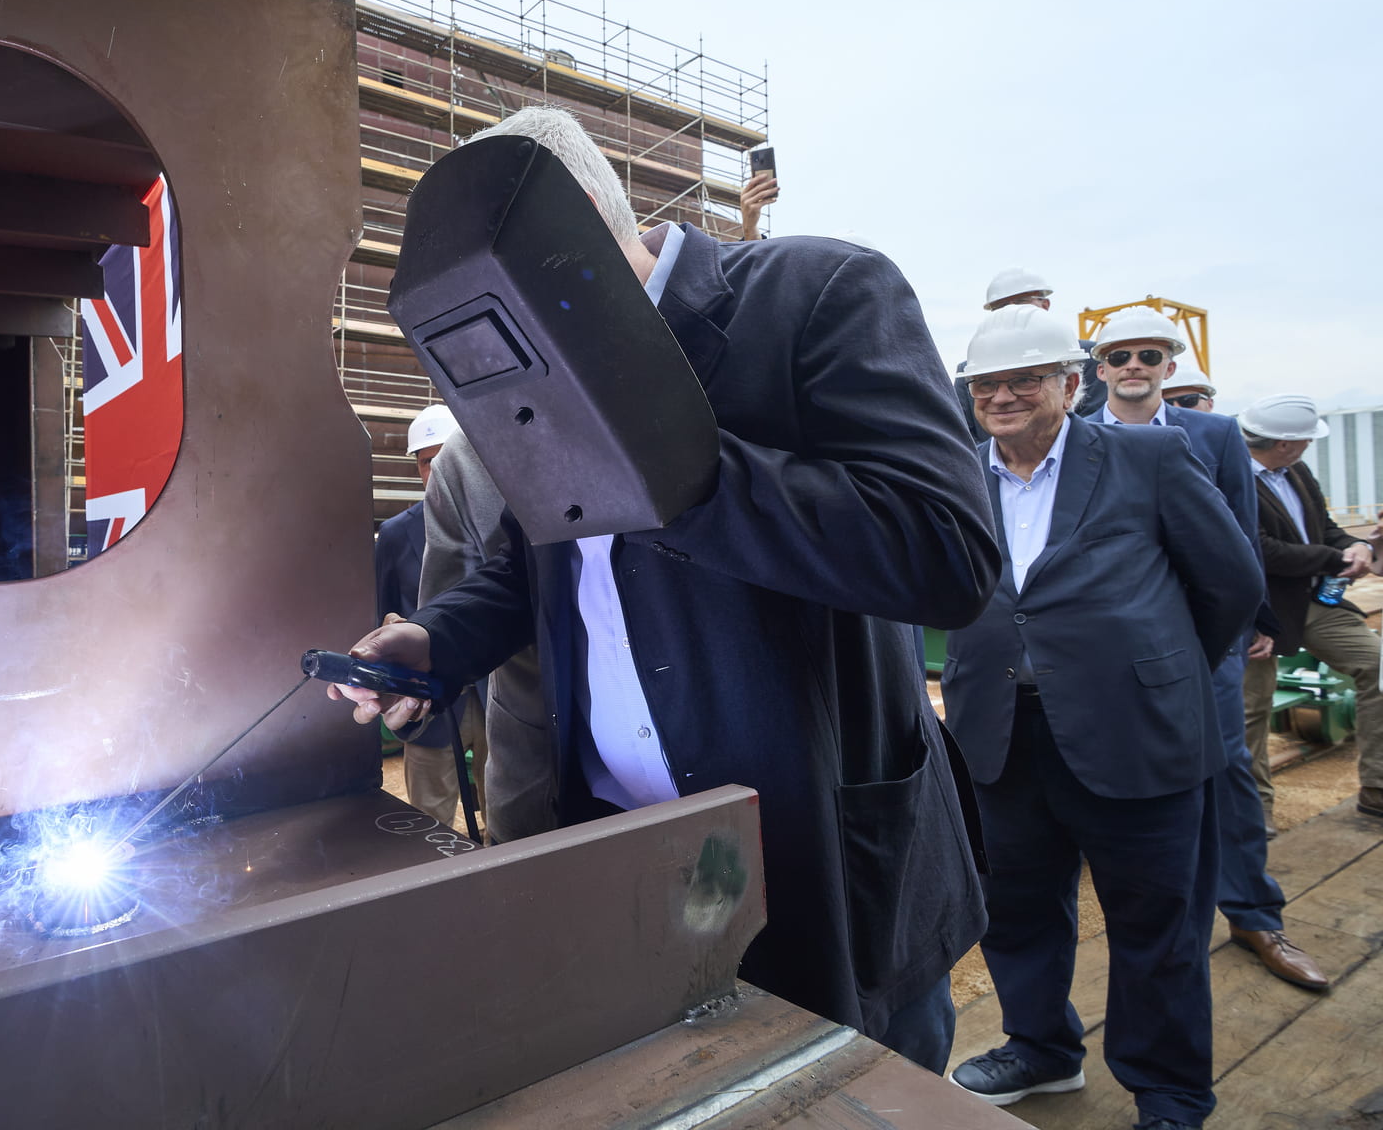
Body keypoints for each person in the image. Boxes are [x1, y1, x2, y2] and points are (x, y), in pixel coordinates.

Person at [331, 105, 1002, 1073]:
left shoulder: (821, 297)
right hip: (630, 864)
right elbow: (540, 566)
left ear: (595, 235)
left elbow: (950, 549)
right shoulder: (543, 361)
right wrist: (438, 642)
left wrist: (666, 465)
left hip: (820, 866)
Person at [942, 305, 1264, 1130]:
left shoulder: (1147, 456)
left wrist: (1163, 669)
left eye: (1025, 379)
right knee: (1016, 906)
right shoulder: (957, 472)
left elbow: (1230, 582)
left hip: (1136, 730)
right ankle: (1042, 1048)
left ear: (1069, 384)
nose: (1004, 396)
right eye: (989, 384)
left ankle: (1169, 1093)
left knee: (1155, 923)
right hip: (1002, 732)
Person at [1084, 307, 1326, 990]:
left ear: (1169, 366)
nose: (1135, 367)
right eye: (1121, 356)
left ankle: (1253, 913)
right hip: (1108, 649)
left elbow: (1238, 539)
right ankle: (1151, 934)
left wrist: (1252, 621)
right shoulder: (1072, 440)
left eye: (1150, 357)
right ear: (1100, 369)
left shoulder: (1213, 435)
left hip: (1202, 642)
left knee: (1227, 774)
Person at [1237, 394, 1382, 822]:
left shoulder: (1294, 470)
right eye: (1305, 440)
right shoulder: (1230, 478)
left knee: (1375, 665)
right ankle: (1252, 818)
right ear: (1285, 443)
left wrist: (1353, 546)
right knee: (1249, 713)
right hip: (1255, 612)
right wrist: (1335, 559)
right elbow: (1263, 550)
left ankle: (1377, 787)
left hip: (1311, 602)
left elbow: (1325, 528)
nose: (1308, 447)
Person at [419, 430, 554, 843]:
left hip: (711, 789)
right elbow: (515, 579)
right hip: (534, 773)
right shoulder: (465, 459)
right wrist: (426, 640)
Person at [372, 403, 481, 830]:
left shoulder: (500, 522)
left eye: (447, 461)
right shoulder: (397, 534)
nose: (435, 474)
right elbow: (381, 611)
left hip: (499, 700)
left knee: (512, 813)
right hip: (428, 702)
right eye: (425, 463)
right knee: (427, 818)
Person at [953, 269, 1105, 440]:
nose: (1001, 399)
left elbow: (1096, 424)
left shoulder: (1086, 356)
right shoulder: (970, 369)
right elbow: (963, 432)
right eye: (987, 384)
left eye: (1025, 381)